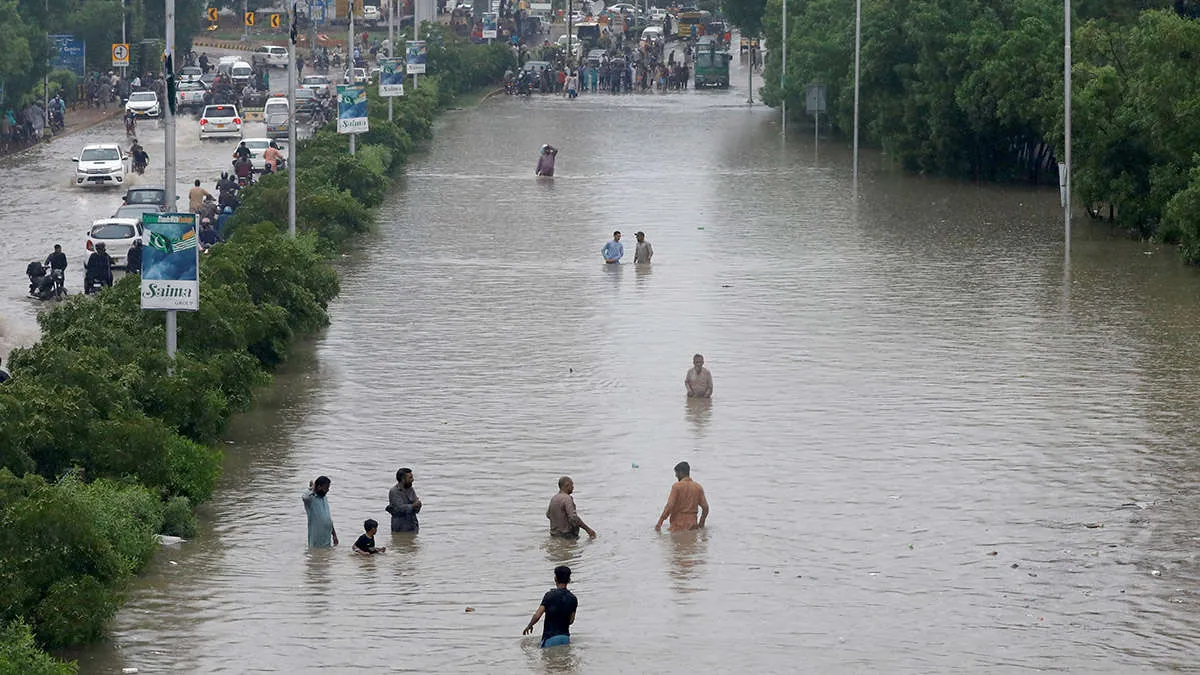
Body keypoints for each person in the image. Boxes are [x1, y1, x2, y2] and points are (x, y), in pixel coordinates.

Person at [522, 566, 578, 648]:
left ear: (555, 579)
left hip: (550, 639)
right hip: (565, 638)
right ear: (569, 580)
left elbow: (537, 615)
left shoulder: (549, 595)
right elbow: (571, 621)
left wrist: (530, 625)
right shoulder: (573, 598)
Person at [655, 461, 709, 532]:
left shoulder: (676, 486)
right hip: (692, 526)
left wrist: (660, 522)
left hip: (677, 526)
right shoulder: (698, 487)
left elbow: (669, 506)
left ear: (681, 472)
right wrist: (701, 524)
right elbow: (705, 508)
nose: (676, 475)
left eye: (676, 473)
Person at [302, 476, 339, 548]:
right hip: (316, 541)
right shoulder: (311, 499)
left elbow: (328, 518)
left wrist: (334, 535)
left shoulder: (324, 498)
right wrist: (311, 488)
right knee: (316, 554)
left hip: (327, 538)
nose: (328, 490)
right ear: (319, 487)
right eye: (326, 488)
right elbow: (304, 497)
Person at [387, 467, 421, 533]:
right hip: (400, 527)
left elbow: (416, 508)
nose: (413, 480)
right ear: (403, 479)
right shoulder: (394, 491)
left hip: (413, 524)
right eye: (410, 478)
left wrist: (418, 505)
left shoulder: (410, 489)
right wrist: (413, 505)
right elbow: (399, 508)